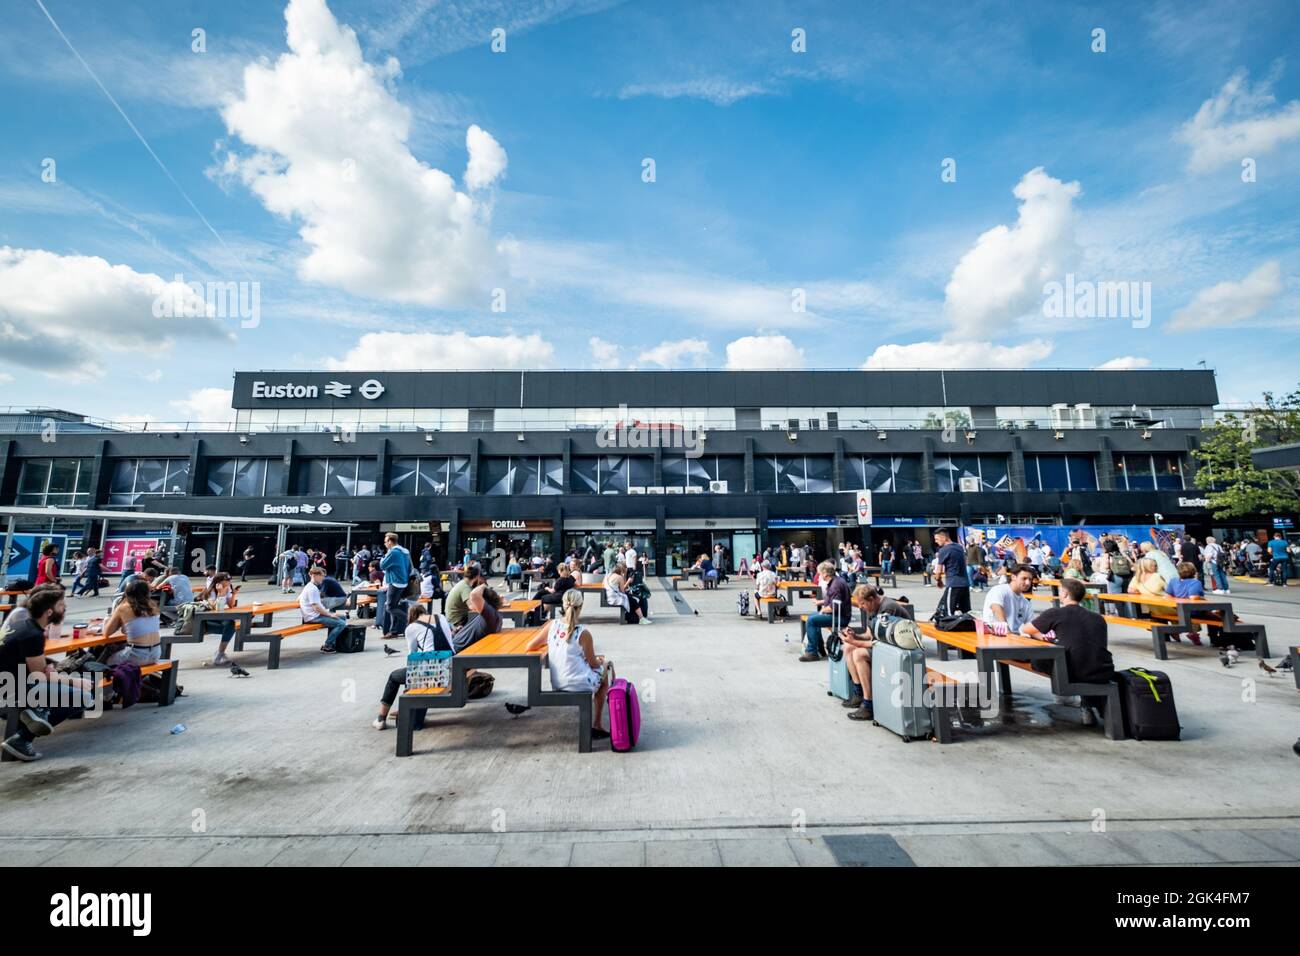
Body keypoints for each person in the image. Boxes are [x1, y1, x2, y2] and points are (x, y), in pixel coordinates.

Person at [0, 586, 95, 762]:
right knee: (84, 696)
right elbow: (39, 676)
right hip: (9, 689)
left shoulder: (22, 624)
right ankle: (22, 739)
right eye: (61, 604)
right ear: (49, 612)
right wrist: (75, 682)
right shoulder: (33, 634)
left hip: (11, 682)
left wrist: (48, 669)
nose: (65, 607)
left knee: (62, 685)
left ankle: (38, 712)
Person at [1021, 577, 1115, 726]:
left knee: (1038, 659)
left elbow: (1026, 629)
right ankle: (1087, 706)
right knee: (1082, 656)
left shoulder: (1056, 613)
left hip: (1070, 671)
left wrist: (1045, 635)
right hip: (1102, 670)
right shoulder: (1098, 618)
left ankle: (1064, 697)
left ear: (1064, 594)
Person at [526, 588, 614, 741]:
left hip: (558, 682)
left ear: (563, 605)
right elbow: (594, 664)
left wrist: (554, 645)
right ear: (581, 607)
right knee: (605, 671)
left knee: (601, 669)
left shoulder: (552, 625)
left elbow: (530, 646)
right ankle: (597, 724)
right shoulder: (583, 633)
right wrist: (603, 663)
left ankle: (597, 724)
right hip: (578, 683)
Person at [372, 603, 454, 730]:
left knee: (394, 677)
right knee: (415, 675)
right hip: (451, 666)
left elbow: (412, 657)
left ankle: (381, 719)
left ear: (411, 617)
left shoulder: (411, 628)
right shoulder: (441, 617)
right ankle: (406, 710)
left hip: (435, 671)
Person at [840, 584, 914, 721]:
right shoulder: (873, 607)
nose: (860, 607)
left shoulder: (887, 609)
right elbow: (869, 635)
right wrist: (854, 636)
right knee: (848, 647)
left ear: (871, 599)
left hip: (900, 650)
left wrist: (856, 642)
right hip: (887, 645)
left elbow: (878, 643)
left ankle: (868, 704)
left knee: (859, 654)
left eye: (862, 603)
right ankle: (858, 693)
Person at [101, 579, 164, 666]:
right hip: (156, 654)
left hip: (136, 654)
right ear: (147, 593)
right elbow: (131, 628)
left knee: (105, 662)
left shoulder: (123, 608)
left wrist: (108, 618)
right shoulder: (153, 607)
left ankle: (94, 675)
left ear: (127, 593)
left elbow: (106, 633)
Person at [799, 560, 851, 662]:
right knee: (812, 618)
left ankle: (812, 652)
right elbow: (833, 600)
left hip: (840, 617)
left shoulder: (835, 585)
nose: (819, 576)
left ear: (825, 573)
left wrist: (823, 610)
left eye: (820, 573)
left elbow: (834, 606)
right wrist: (820, 602)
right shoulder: (837, 581)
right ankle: (820, 649)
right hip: (841, 614)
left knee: (812, 621)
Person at [299, 566, 350, 653]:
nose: (323, 578)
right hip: (313, 617)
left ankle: (334, 642)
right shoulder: (312, 589)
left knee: (343, 618)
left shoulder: (311, 587)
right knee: (341, 623)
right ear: (314, 575)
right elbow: (316, 608)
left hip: (315, 615)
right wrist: (330, 614)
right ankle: (327, 646)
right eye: (321, 576)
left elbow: (302, 599)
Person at [981, 563, 1035, 632]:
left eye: (1030, 579)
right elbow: (996, 607)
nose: (1028, 583)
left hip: (1014, 635)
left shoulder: (1026, 602)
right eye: (1024, 578)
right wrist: (1006, 629)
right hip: (993, 634)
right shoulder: (999, 590)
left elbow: (1031, 626)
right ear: (1013, 577)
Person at [379, 532, 413, 639]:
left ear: (390, 541)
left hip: (395, 582)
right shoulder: (405, 552)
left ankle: (411, 620)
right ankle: (393, 631)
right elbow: (409, 567)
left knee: (389, 607)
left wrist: (385, 555)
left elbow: (382, 565)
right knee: (394, 606)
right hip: (403, 581)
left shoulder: (393, 552)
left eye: (385, 541)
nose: (385, 544)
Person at [449, 584, 503, 651]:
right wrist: (459, 632)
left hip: (454, 650)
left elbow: (474, 595)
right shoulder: (490, 615)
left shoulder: (491, 615)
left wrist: (483, 586)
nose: (472, 603)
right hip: (453, 642)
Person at [933, 530, 971, 617]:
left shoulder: (943, 550)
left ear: (944, 537)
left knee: (949, 613)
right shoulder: (960, 547)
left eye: (937, 539)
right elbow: (965, 562)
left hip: (953, 584)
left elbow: (938, 571)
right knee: (966, 612)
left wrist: (939, 581)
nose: (936, 541)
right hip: (965, 584)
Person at [444, 562, 484, 628]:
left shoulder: (463, 583)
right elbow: (473, 607)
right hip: (457, 621)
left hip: (453, 618)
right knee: (483, 620)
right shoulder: (465, 588)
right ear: (477, 577)